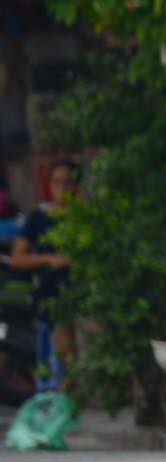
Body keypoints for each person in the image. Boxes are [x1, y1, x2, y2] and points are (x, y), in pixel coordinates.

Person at [11, 159, 78, 393]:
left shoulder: (86, 217)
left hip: (81, 287)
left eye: (69, 182)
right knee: (54, 304)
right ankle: (66, 376)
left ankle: (74, 375)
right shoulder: (39, 219)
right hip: (51, 289)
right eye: (57, 182)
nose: (63, 188)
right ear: (50, 185)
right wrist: (49, 259)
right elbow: (17, 259)